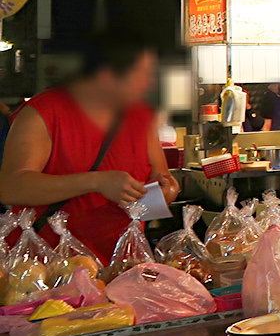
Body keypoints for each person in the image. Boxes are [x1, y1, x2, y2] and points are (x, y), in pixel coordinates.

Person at [0, 28, 179, 262]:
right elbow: (11, 188)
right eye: (141, 73)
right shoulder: (44, 112)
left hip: (120, 262)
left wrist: (168, 191)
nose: (149, 82)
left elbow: (160, 178)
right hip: (48, 265)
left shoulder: (141, 118)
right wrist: (97, 181)